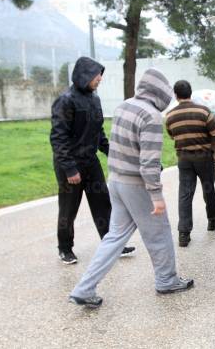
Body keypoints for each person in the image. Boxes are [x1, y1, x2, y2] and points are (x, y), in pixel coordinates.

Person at [69, 68, 193, 308]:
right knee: (159, 233)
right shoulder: (152, 117)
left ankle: (84, 288)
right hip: (136, 185)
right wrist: (156, 196)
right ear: (160, 93)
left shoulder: (124, 105)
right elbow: (148, 163)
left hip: (115, 181)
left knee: (114, 237)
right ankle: (167, 280)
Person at [50, 56, 134, 265]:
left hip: (90, 161)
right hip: (70, 164)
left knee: (103, 203)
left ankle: (111, 244)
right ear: (84, 75)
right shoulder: (66, 100)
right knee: (69, 208)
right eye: (97, 75)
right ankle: (65, 248)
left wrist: (113, 153)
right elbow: (58, 138)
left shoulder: (94, 99)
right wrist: (69, 169)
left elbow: (99, 133)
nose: (100, 79)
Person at [165, 80, 215, 247]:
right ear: (190, 93)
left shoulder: (170, 116)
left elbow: (172, 136)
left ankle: (184, 233)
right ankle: (213, 220)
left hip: (184, 159)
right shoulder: (203, 111)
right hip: (204, 157)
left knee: (185, 194)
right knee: (208, 189)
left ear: (176, 95)